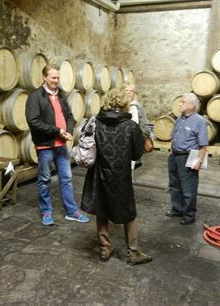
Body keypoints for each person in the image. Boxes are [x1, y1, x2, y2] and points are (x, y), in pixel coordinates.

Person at [81, 88, 152, 265]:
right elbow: (137, 154)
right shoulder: (130, 126)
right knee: (129, 212)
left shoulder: (96, 121)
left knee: (101, 209)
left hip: (99, 174)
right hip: (121, 176)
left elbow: (86, 141)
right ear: (124, 104)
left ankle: (105, 248)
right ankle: (133, 252)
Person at [26, 64, 89, 226]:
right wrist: (57, 131)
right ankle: (46, 211)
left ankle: (71, 211)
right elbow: (34, 122)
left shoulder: (60, 95)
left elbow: (69, 116)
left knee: (67, 178)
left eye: (58, 78)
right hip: (45, 146)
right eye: (53, 77)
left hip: (61, 145)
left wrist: (67, 131)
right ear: (44, 77)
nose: (56, 81)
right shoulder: (35, 97)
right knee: (45, 179)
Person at [166, 93, 208, 225]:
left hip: (188, 156)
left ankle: (189, 215)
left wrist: (199, 161)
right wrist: (171, 150)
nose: (179, 104)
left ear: (192, 105)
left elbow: (203, 145)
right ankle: (177, 209)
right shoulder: (180, 119)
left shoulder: (199, 121)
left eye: (183, 102)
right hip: (175, 156)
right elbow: (173, 136)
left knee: (188, 188)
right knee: (174, 185)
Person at [123, 83, 150, 170]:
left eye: (131, 91)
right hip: (119, 143)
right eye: (126, 90)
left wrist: (139, 142)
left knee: (129, 170)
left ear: (134, 93)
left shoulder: (138, 108)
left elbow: (144, 127)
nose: (129, 92)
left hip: (132, 143)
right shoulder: (119, 107)